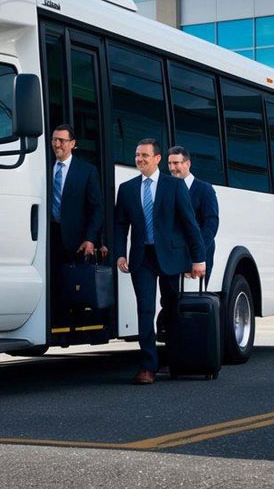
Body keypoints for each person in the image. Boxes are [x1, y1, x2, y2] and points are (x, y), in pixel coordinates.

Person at [114, 139, 206, 384]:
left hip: (170, 257)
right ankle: (148, 366)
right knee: (145, 309)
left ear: (156, 159)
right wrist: (120, 253)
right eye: (137, 155)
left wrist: (199, 259)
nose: (140, 159)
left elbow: (190, 224)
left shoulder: (174, 186)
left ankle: (176, 360)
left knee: (171, 309)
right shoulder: (127, 189)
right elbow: (120, 225)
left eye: (145, 155)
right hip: (142, 257)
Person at [48, 124, 104, 325]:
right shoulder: (44, 167)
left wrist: (91, 239)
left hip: (76, 238)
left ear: (72, 144)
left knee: (74, 283)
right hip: (48, 234)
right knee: (53, 282)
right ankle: (55, 321)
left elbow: (96, 208)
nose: (56, 144)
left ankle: (75, 324)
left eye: (61, 140)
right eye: (54, 140)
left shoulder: (86, 171)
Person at [167, 146, 219, 288]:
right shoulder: (167, 189)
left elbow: (211, 224)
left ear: (188, 164)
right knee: (170, 302)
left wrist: (197, 255)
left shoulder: (204, 189)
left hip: (197, 258)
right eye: (169, 163)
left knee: (194, 303)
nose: (172, 168)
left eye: (176, 163)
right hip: (172, 256)